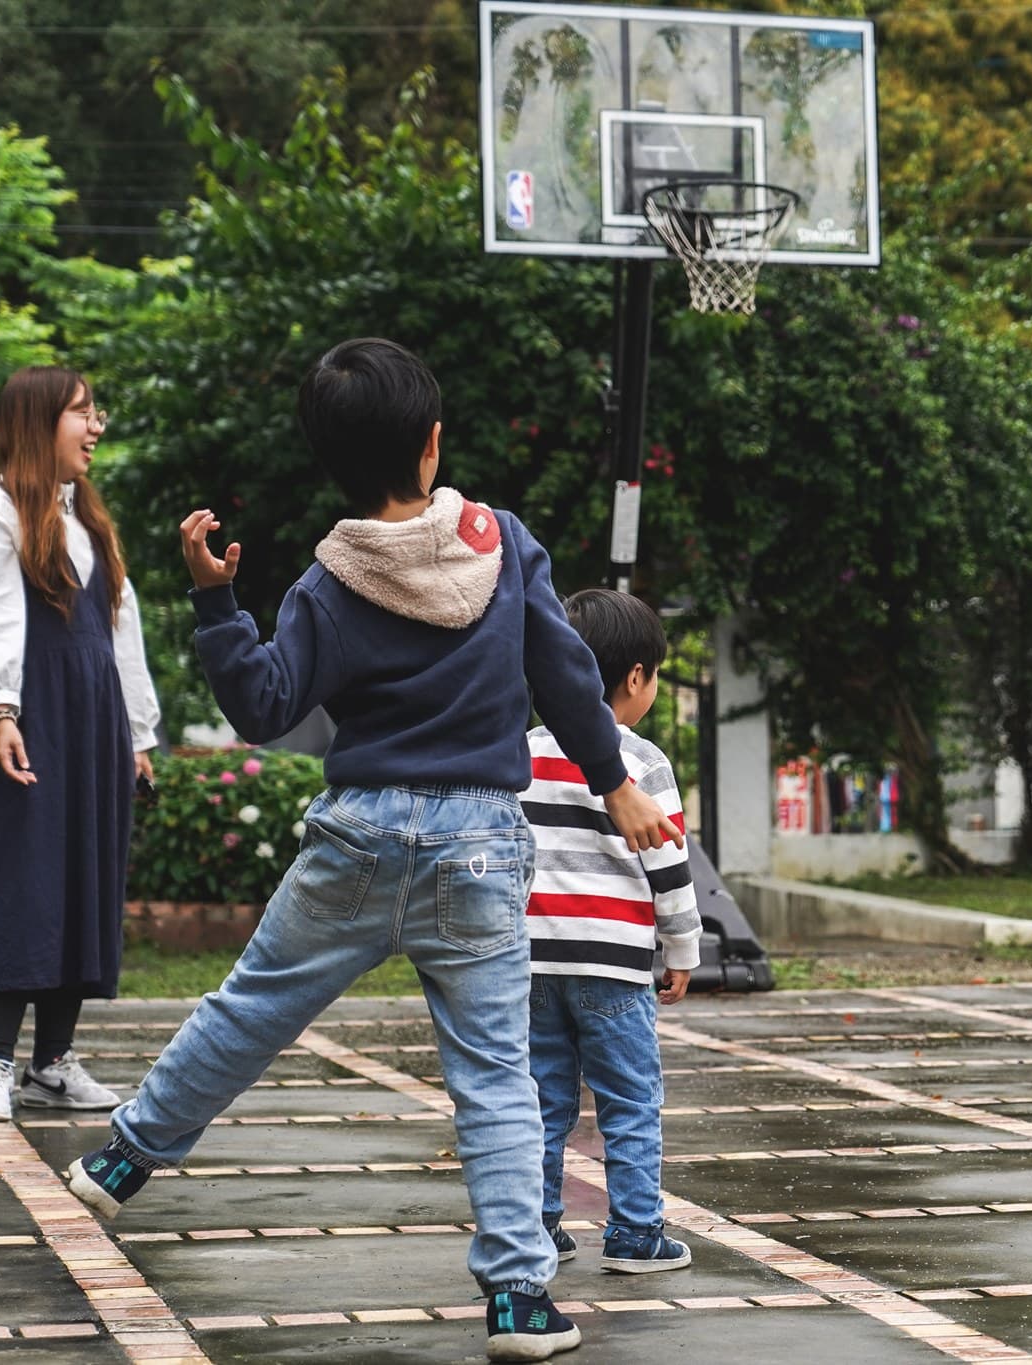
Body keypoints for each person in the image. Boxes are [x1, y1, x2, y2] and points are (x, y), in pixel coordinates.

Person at [61, 337, 682, 1364]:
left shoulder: (326, 581)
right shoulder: (505, 544)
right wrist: (614, 784)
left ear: (331, 465)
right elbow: (569, 677)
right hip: (482, 849)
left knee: (253, 1006)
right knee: (494, 1074)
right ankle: (519, 1302)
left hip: (357, 840)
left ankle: (125, 1158)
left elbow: (263, 707)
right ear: (432, 444)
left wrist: (216, 600)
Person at [0, 366, 161, 1123]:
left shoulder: (89, 519)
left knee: (81, 881)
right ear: (38, 422)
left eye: (97, 412)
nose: (96, 426)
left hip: (95, 721)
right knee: (21, 877)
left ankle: (52, 1064)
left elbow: (118, 630)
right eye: (81, 413)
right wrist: (4, 709)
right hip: (31, 717)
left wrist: (137, 734)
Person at [523, 588, 701, 1275]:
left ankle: (538, 1226)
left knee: (541, 1097)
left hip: (532, 963)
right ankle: (634, 1233)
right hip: (616, 967)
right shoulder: (645, 763)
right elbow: (670, 866)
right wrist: (683, 950)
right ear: (636, 677)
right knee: (629, 1098)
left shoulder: (521, 752)